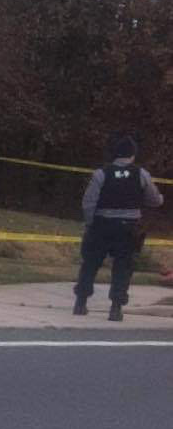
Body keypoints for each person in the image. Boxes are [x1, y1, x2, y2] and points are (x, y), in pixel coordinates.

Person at [73, 136, 164, 322]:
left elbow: (88, 202)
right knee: (123, 267)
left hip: (102, 225)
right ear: (133, 155)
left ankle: (80, 303)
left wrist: (91, 223)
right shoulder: (141, 174)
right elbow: (155, 200)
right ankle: (115, 308)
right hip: (128, 228)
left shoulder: (101, 173)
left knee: (90, 263)